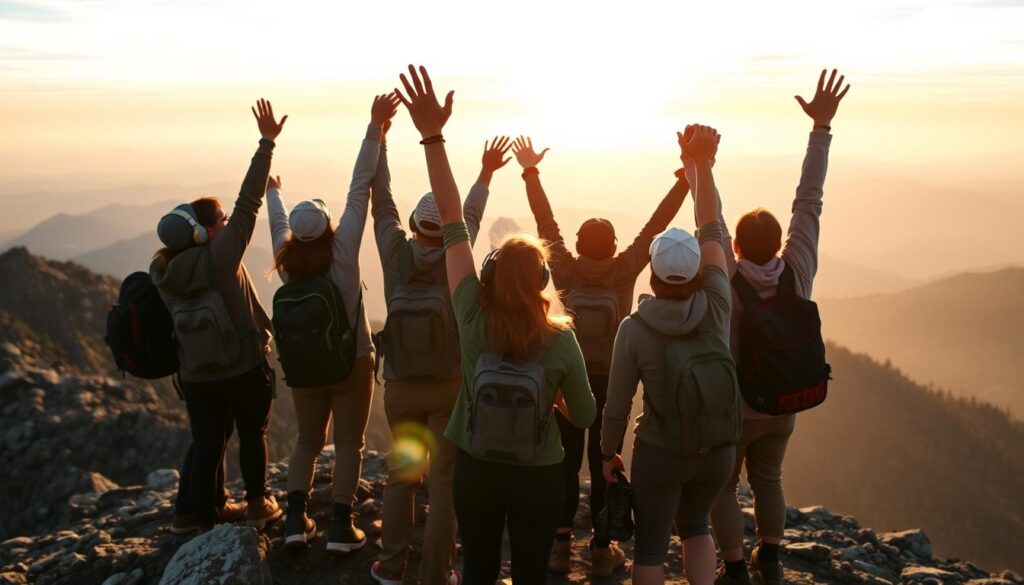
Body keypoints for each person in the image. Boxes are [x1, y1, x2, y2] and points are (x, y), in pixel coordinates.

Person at [393, 64, 596, 585]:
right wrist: (550, 395)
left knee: (479, 566)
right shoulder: (560, 338)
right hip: (540, 472)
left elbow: (454, 221)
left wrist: (433, 137)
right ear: (542, 279)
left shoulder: (469, 312)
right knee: (529, 571)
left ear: (489, 275)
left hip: (477, 465)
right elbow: (587, 412)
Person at [510, 134, 690, 575]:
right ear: (612, 247)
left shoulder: (566, 270)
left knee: (564, 464)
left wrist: (531, 172)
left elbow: (544, 221)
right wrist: (686, 181)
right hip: (613, 381)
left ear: (578, 243)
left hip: (567, 381)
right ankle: (601, 550)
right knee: (605, 463)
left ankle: (558, 544)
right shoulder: (625, 270)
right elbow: (654, 227)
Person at [709, 69, 850, 585]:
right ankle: (770, 558)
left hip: (739, 404)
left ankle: (734, 567)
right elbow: (808, 201)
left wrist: (701, 167)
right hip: (787, 399)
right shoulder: (799, 269)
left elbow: (712, 220)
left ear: (738, 247)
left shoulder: (728, 277)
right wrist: (821, 130)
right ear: (780, 243)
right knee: (768, 477)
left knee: (725, 485)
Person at [369, 132, 513, 584]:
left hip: (401, 385)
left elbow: (382, 200)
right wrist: (486, 173)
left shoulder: (394, 251)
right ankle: (437, 573)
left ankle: (391, 568)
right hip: (450, 385)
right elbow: (467, 212)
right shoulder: (459, 251)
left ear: (413, 224)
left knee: (402, 474)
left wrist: (382, 143)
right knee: (446, 483)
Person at [601, 124, 737, 585]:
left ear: (653, 274)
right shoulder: (718, 300)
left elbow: (617, 405)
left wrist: (607, 454)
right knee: (697, 527)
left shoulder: (635, 329)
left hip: (662, 450)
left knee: (652, 546)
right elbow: (712, 225)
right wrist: (700, 167)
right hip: (718, 447)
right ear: (699, 268)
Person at [266, 94, 399, 553]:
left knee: (306, 439)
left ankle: (295, 522)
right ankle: (341, 526)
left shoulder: (287, 265)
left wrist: (272, 191)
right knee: (349, 443)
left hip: (303, 367)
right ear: (326, 227)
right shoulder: (343, 252)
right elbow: (359, 186)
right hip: (352, 362)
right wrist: (374, 129)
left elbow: (278, 225)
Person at [151, 99, 286, 532]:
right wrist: (266, 143)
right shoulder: (221, 258)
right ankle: (257, 505)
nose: (230, 223)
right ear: (205, 231)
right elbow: (249, 202)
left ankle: (195, 516)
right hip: (242, 367)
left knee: (207, 444)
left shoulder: (163, 273)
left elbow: (240, 207)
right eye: (222, 220)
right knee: (251, 435)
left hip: (195, 376)